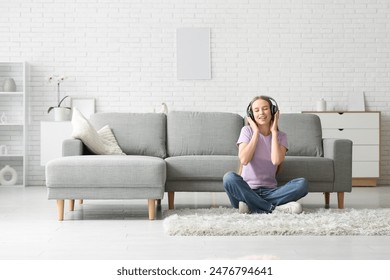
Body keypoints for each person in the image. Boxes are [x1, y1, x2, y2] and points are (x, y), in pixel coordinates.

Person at [223, 95, 308, 214]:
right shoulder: (246, 131)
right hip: (246, 190)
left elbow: (276, 161)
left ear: (273, 111)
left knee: (302, 184)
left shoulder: (281, 136)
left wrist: (273, 132)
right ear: (251, 115)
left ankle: (252, 205)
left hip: (271, 191)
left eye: (265, 108)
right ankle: (273, 208)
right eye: (256, 110)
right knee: (229, 178)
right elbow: (244, 160)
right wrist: (256, 132)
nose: (261, 113)